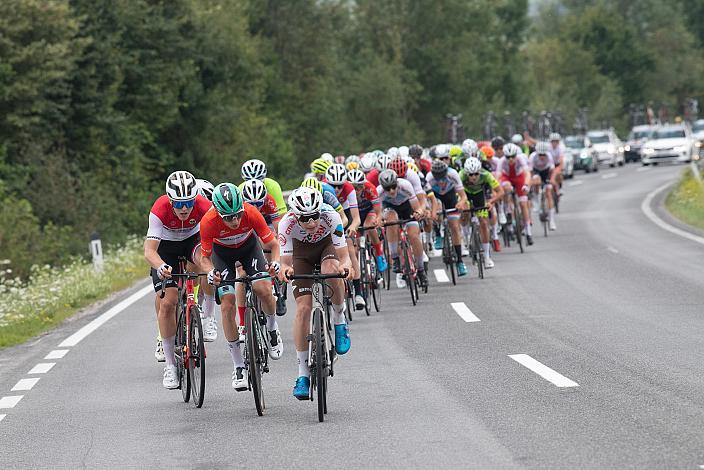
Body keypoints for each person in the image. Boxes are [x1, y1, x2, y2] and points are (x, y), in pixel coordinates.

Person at [200, 183, 283, 391]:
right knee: (227, 306)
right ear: (218, 213)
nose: (235, 221)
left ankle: (272, 328)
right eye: (228, 218)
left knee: (262, 289)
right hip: (223, 256)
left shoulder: (251, 212)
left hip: (249, 249)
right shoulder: (208, 221)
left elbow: (273, 245)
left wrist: (275, 262)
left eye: (237, 215)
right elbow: (205, 257)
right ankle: (238, 366)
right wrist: (211, 273)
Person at [279, 187, 352, 400]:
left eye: (314, 216)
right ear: (295, 215)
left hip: (326, 248)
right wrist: (285, 270)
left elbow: (345, 257)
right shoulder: (286, 223)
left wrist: (346, 268)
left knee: (333, 271)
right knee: (303, 309)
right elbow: (284, 263)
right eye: (305, 218)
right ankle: (302, 374)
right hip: (301, 256)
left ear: (321, 211)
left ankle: (339, 317)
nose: (311, 223)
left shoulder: (331, 216)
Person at [144, 171, 214, 389]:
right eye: (179, 204)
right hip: (166, 248)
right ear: (170, 200)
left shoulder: (204, 206)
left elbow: (213, 240)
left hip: (193, 240)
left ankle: (206, 316)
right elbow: (149, 250)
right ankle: (171, 367)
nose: (184, 209)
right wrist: (161, 266)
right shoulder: (159, 209)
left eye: (188, 202)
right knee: (168, 301)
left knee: (204, 263)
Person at [377, 169, 428, 288]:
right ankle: (395, 257)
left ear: (397, 183)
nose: (391, 191)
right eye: (387, 188)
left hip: (407, 208)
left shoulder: (406, 185)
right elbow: (378, 213)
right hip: (390, 209)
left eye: (393, 187)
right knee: (391, 220)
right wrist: (379, 221)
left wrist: (418, 212)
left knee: (414, 236)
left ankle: (421, 270)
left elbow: (416, 208)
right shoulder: (378, 192)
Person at [459, 158, 504, 268]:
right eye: (470, 174)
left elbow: (500, 191)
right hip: (465, 194)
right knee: (465, 211)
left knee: (483, 223)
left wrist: (491, 202)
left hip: (479, 195)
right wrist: (460, 203)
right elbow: (457, 192)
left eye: (476, 174)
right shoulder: (461, 175)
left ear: (480, 171)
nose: (473, 177)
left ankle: (487, 256)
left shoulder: (486, 175)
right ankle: (465, 238)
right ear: (466, 173)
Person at [426, 159, 469, 276]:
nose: (440, 180)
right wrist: (431, 212)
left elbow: (463, 196)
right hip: (436, 197)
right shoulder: (429, 178)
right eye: (437, 177)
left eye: (442, 177)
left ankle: (460, 261)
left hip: (450, 196)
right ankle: (438, 235)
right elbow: (427, 199)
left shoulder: (453, 174)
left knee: (455, 227)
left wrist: (460, 203)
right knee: (437, 209)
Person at [347, 168, 387, 273]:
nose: (355, 191)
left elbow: (378, 211)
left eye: (358, 187)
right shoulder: (346, 192)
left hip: (369, 211)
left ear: (363, 186)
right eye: (353, 187)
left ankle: (379, 254)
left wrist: (378, 220)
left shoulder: (370, 188)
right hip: (355, 215)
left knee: (369, 225)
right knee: (355, 245)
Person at [497, 142, 534, 245]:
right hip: (507, 177)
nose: (510, 159)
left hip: (519, 178)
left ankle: (528, 233)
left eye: (513, 156)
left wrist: (526, 185)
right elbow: (497, 177)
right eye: (508, 157)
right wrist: (499, 190)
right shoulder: (501, 161)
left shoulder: (520, 159)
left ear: (516, 155)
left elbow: (527, 173)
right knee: (506, 188)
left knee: (523, 204)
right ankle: (508, 210)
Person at [530, 141, 558, 231]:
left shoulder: (549, 156)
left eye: (543, 154)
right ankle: (537, 200)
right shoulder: (532, 157)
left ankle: (552, 220)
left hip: (546, 172)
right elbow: (530, 172)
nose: (542, 156)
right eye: (540, 154)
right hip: (536, 171)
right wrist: (532, 182)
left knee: (549, 193)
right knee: (536, 181)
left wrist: (551, 180)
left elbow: (552, 170)